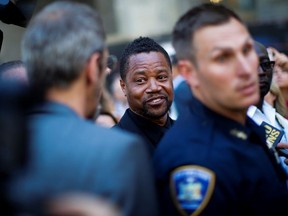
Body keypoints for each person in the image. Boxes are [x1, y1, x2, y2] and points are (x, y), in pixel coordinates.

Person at [7, 2, 158, 216]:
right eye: (105, 63)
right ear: (92, 67)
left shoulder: (8, 146)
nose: (106, 71)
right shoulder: (119, 151)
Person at [153, 3, 288, 216]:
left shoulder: (245, 123)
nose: (246, 69)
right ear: (190, 73)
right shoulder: (194, 160)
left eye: (246, 50)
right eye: (223, 58)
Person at [113, 36, 174, 156]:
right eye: (141, 80)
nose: (154, 87)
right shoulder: (113, 145)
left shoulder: (189, 134)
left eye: (161, 77)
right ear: (123, 86)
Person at [247, 41, 288, 173]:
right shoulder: (231, 123)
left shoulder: (279, 120)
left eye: (266, 65)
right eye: (252, 66)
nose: (261, 72)